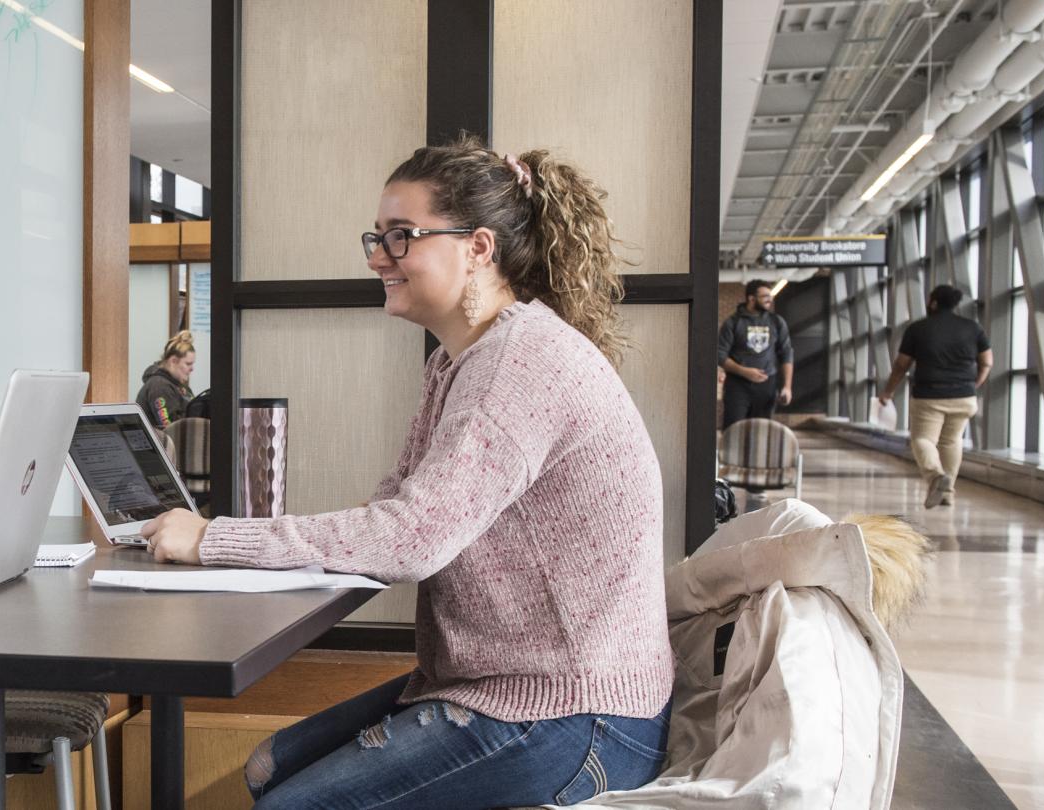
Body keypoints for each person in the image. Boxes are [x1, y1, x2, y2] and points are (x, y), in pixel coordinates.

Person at [140, 139, 674, 808]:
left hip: (576, 713)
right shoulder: (456, 362)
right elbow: (397, 505)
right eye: (377, 236)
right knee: (266, 768)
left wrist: (213, 538)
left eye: (401, 238)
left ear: (478, 248)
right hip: (502, 687)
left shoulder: (519, 362)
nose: (375, 257)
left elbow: (410, 539)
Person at [879, 284, 991, 508]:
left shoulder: (918, 329)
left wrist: (888, 391)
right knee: (951, 441)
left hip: (929, 395)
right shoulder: (973, 328)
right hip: (964, 396)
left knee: (922, 439)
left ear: (933, 302)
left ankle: (936, 477)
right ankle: (947, 494)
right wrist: (972, 385)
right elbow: (987, 362)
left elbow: (901, 365)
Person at [718, 279, 793, 427]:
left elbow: (786, 354)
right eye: (765, 296)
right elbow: (720, 355)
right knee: (734, 430)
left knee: (762, 432)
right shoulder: (732, 323)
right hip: (738, 387)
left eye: (770, 296)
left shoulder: (777, 322)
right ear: (751, 299)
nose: (770, 300)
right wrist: (743, 371)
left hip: (767, 387)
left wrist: (787, 387)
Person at [137, 330, 198, 428]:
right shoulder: (159, 386)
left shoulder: (180, 385)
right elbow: (171, 428)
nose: (192, 369)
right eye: (188, 364)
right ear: (173, 361)